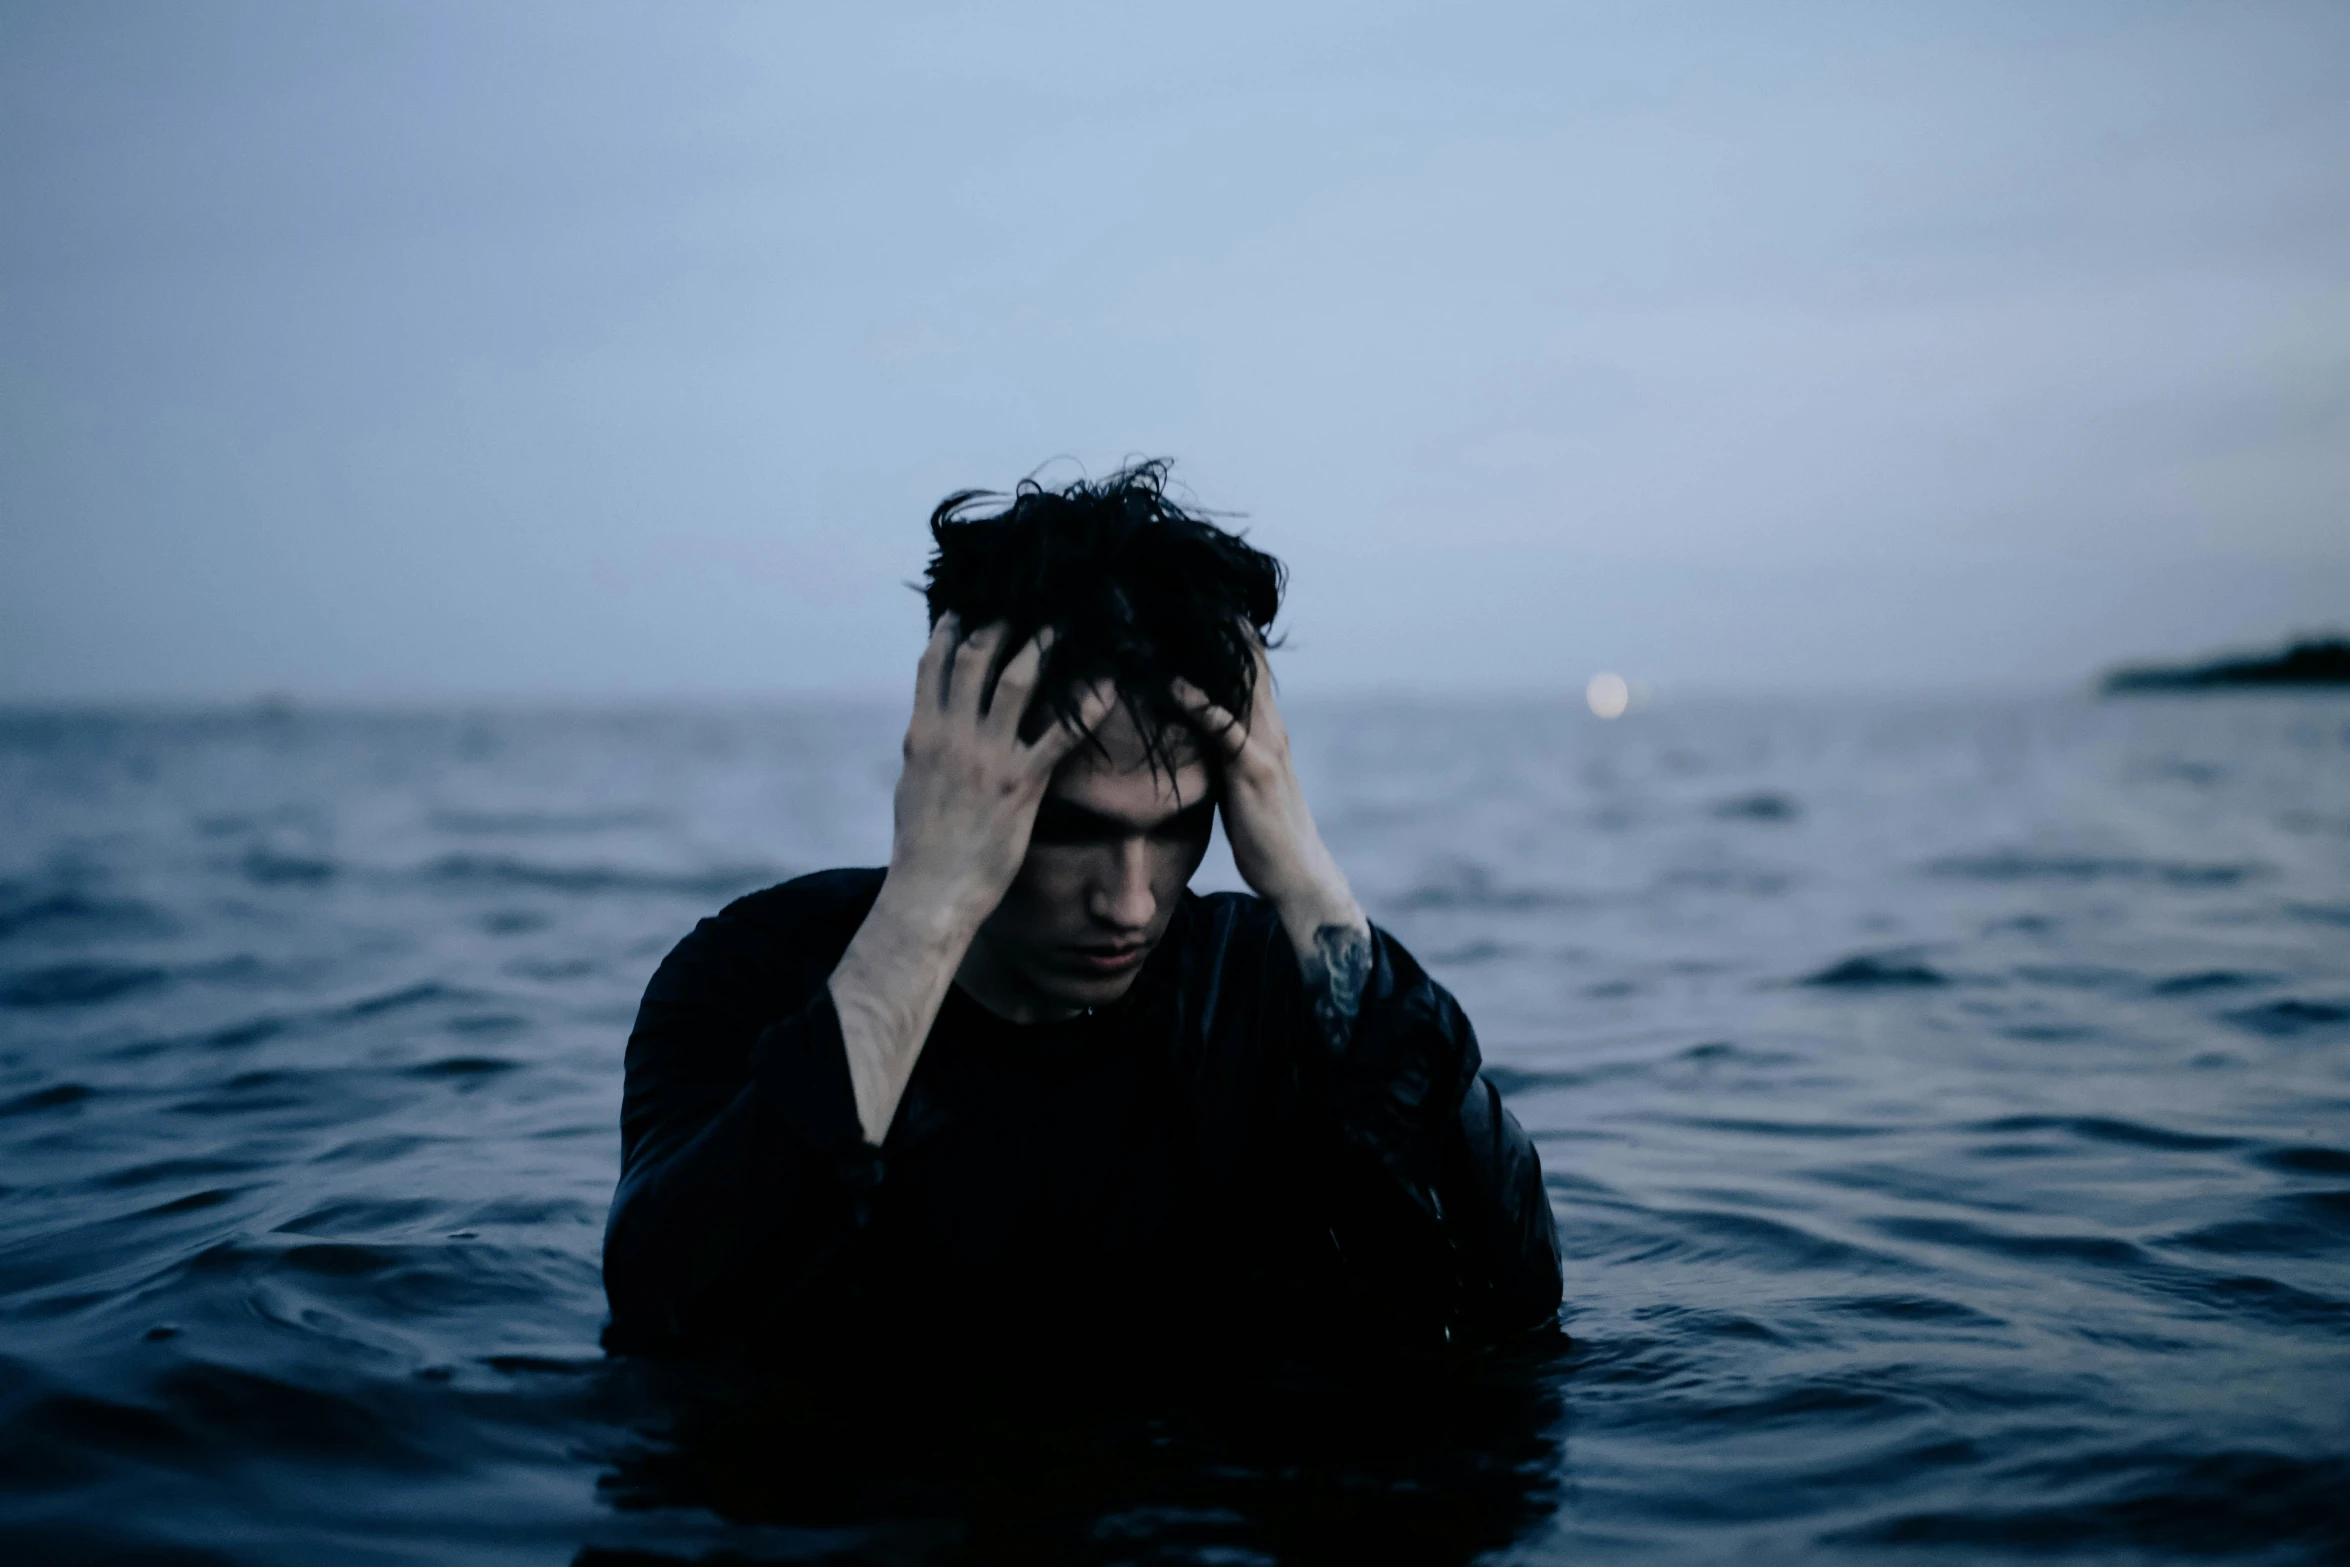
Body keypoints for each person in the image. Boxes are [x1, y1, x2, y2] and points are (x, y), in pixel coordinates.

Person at [601, 462, 1562, 1360]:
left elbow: (1516, 1297)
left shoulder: (1269, 992)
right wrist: (928, 906)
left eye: (1182, 827)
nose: (1132, 901)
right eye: (1068, 831)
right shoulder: (755, 973)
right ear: (955, 776)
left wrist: (1308, 881)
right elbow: (668, 1315)